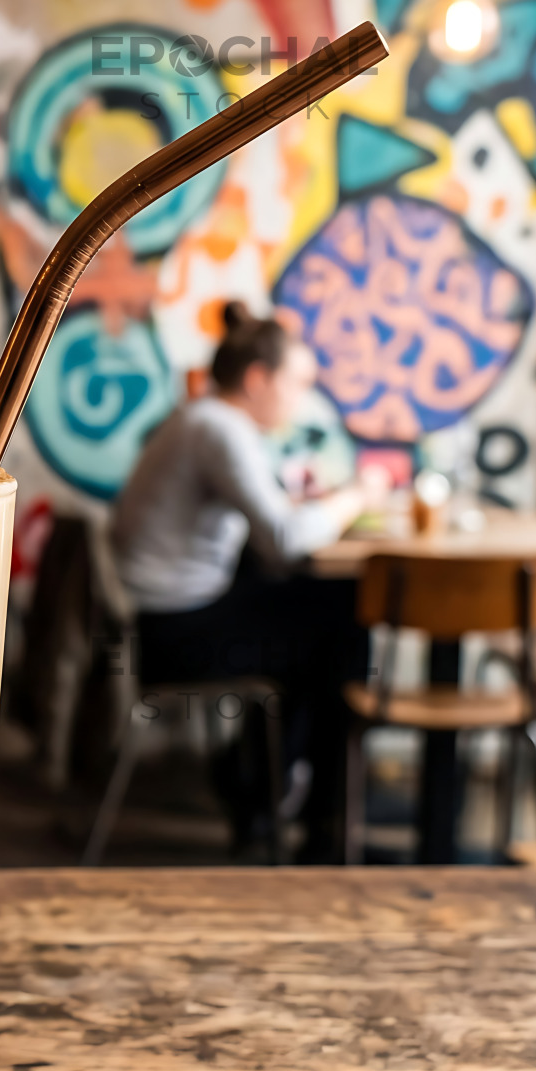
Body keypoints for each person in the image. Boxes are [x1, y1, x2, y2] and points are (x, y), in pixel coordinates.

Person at [110, 304, 369, 860]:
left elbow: (268, 517)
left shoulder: (201, 419)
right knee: (342, 624)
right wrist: (356, 497)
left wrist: (307, 506)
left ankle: (266, 793)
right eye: (298, 383)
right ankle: (310, 824)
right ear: (258, 378)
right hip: (171, 635)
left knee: (328, 615)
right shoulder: (218, 428)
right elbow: (284, 537)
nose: (302, 398)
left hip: (162, 617)